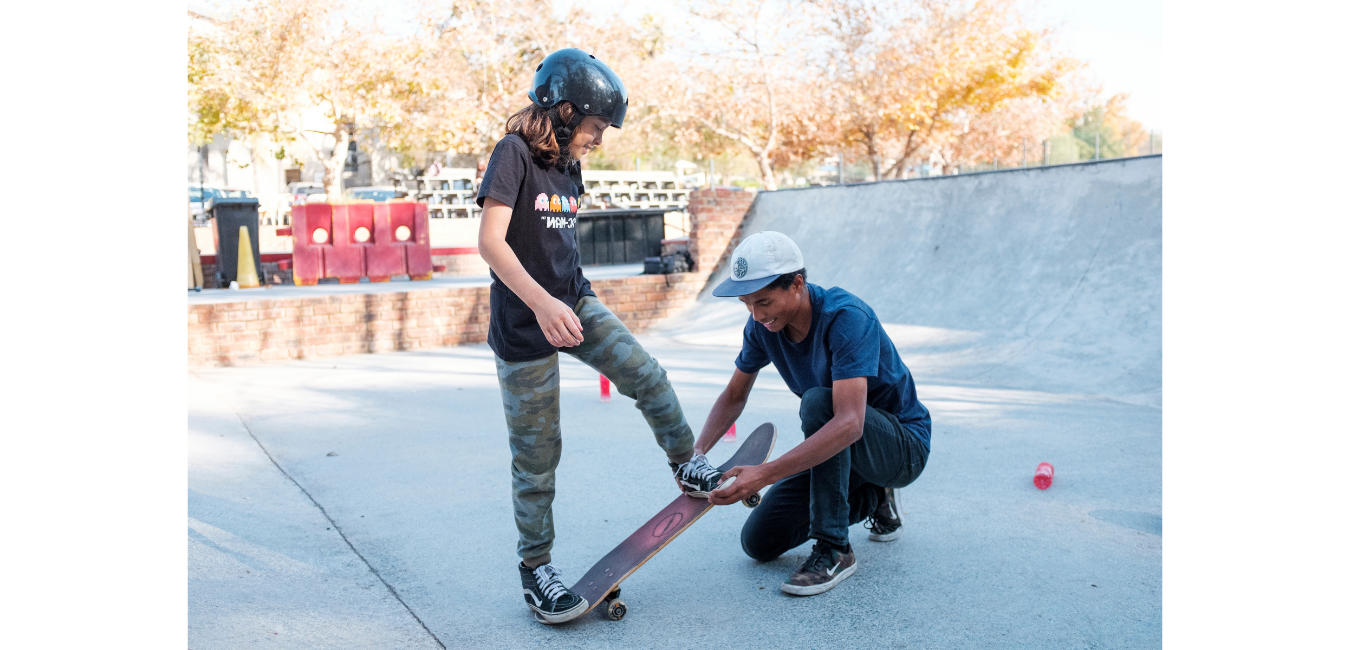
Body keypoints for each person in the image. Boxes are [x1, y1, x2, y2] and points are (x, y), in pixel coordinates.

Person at [476, 48, 723, 624]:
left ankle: (685, 462)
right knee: (537, 457)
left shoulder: (569, 166)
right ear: (564, 111)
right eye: (595, 127)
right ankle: (537, 570)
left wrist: (570, 300)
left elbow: (559, 244)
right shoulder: (513, 153)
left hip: (575, 303)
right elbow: (491, 242)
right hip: (523, 324)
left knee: (647, 376)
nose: (599, 139)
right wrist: (541, 304)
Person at [698, 231, 931, 596]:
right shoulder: (762, 328)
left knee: (819, 403)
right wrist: (695, 455)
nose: (757, 315)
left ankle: (835, 548)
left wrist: (764, 474)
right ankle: (875, 496)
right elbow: (734, 394)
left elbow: (850, 423)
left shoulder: (847, 318)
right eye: (747, 304)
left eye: (764, 301)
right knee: (759, 541)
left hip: (901, 447)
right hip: (844, 449)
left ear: (797, 283)